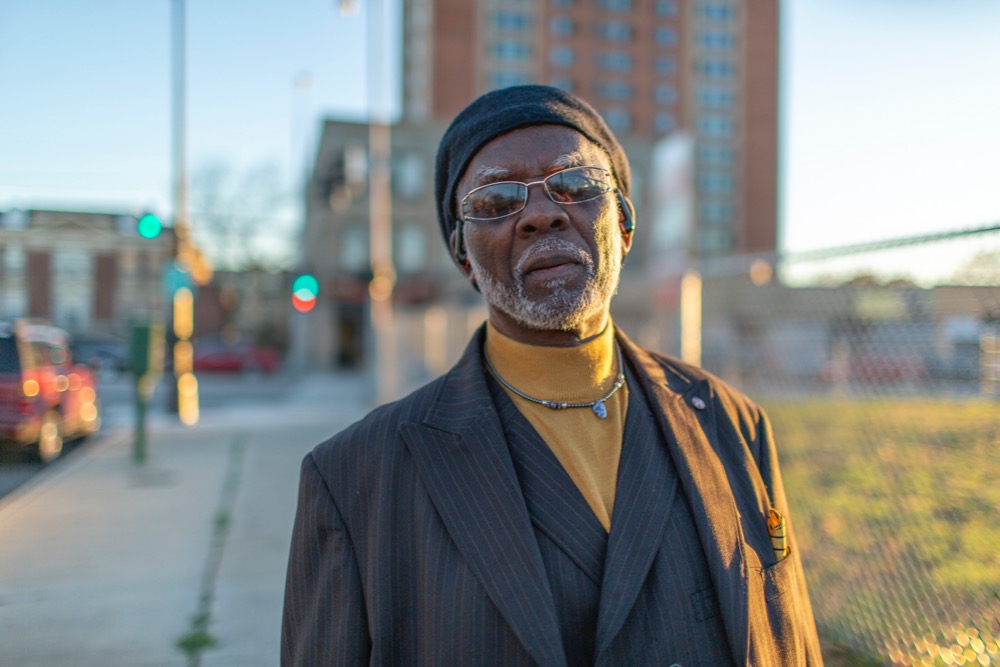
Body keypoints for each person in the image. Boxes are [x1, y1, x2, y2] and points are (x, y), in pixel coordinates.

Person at [282, 85, 823, 666]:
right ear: (463, 254)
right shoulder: (354, 479)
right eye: (496, 200)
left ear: (624, 224)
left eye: (577, 185)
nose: (542, 214)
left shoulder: (731, 423)